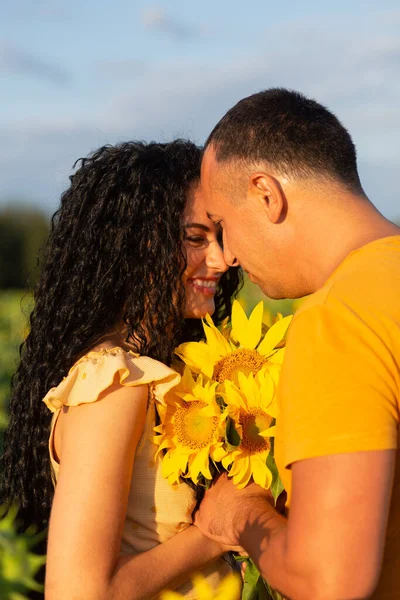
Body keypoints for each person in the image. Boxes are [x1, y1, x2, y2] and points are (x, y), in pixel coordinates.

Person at [1, 139, 243, 599]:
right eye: (195, 238)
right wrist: (214, 532)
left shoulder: (164, 367)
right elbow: (78, 592)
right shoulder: (115, 383)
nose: (222, 259)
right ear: (134, 246)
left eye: (222, 238)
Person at [194, 88, 400, 600]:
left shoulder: (338, 318)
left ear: (267, 193)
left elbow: (330, 581)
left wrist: (241, 515)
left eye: (221, 226)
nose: (228, 256)